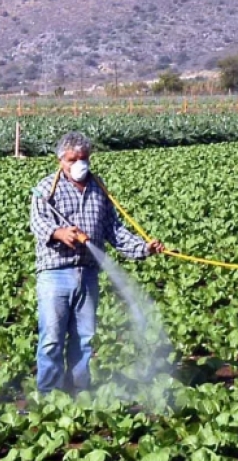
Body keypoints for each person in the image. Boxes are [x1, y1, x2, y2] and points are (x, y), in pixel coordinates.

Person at [29, 131, 164, 394]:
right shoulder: (47, 188)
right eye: (72, 159)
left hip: (88, 272)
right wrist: (60, 233)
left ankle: (79, 392)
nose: (80, 164)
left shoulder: (98, 188)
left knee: (84, 339)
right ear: (61, 161)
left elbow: (113, 230)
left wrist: (145, 248)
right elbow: (38, 222)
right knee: (51, 340)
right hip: (55, 273)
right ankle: (48, 397)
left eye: (84, 158)